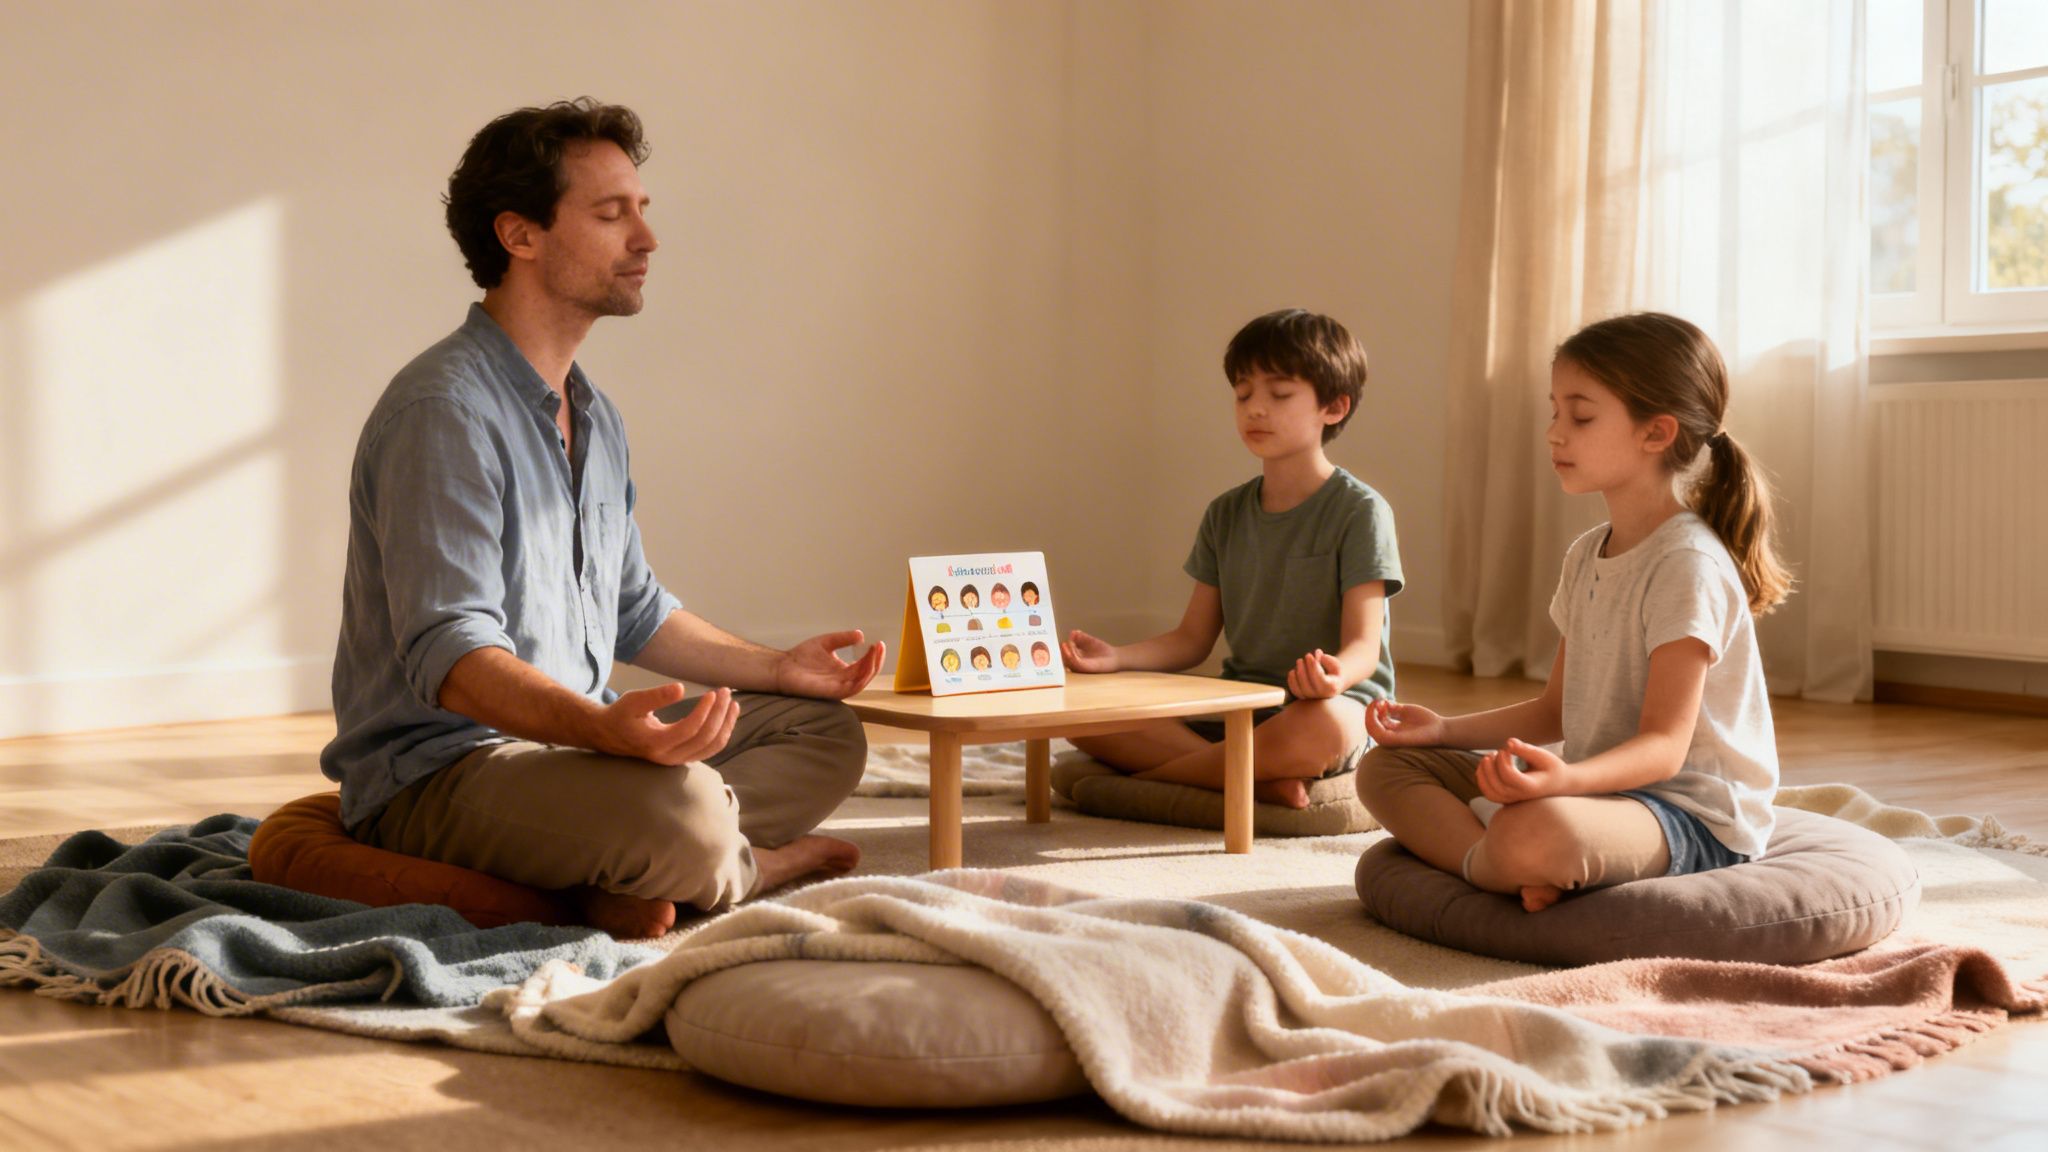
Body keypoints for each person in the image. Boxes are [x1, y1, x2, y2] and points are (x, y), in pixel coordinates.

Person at [320, 99, 883, 940]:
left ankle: (629, 864)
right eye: (612, 214)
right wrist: (601, 731)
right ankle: (743, 861)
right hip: (445, 771)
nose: (646, 240)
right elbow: (455, 660)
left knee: (824, 732)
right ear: (521, 236)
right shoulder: (443, 411)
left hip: (573, 751)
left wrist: (778, 668)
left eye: (642, 212)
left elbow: (633, 609)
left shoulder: (595, 415)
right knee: (685, 812)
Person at [1358, 311, 1789, 912]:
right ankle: (1499, 866)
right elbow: (1555, 710)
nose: (1555, 433)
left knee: (1534, 830)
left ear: (1657, 433)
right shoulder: (1588, 554)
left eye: (1581, 415)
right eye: (1555, 411)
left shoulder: (1686, 565)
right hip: (1599, 793)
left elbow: (1664, 748)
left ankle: (1493, 860)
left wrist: (1564, 783)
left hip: (1688, 815)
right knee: (1386, 769)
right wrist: (1441, 731)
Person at [1061, 309, 1401, 808]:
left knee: (1322, 727)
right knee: (1083, 714)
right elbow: (1191, 640)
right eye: (1243, 394)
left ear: (1333, 406)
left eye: (1279, 394)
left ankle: (1161, 782)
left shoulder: (1361, 511)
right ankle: (1256, 781)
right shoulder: (1225, 513)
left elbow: (1364, 648)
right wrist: (1115, 658)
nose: (1255, 409)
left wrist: (1333, 676)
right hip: (1238, 707)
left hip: (1332, 705)